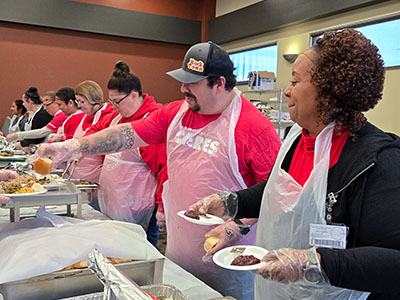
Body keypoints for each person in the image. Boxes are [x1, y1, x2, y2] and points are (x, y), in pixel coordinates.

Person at [31, 42, 281, 300]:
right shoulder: (175, 113)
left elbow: (274, 195)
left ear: (218, 83)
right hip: (179, 247)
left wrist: (236, 227)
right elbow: (126, 134)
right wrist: (73, 146)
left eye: (192, 83)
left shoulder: (254, 127)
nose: (183, 88)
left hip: (229, 259)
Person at [187, 29, 400, 299]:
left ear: (327, 92)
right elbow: (283, 191)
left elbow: (393, 261)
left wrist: (311, 263)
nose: (287, 91)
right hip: (276, 291)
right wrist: (231, 203)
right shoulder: (298, 136)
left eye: (295, 81)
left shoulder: (379, 160)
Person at [82, 61, 167, 247]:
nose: (113, 106)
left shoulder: (152, 123)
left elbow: (165, 169)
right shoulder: (116, 117)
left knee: (140, 252)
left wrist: (161, 205)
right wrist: (74, 146)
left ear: (134, 95)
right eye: (110, 101)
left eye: (117, 101)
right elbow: (96, 132)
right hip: (113, 202)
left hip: (140, 208)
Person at [69, 80, 114, 183]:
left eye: (82, 101)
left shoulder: (106, 118)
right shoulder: (87, 116)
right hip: (79, 177)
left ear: (93, 100)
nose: (79, 106)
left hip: (95, 180)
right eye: (77, 101)